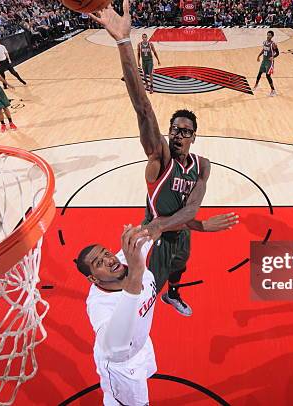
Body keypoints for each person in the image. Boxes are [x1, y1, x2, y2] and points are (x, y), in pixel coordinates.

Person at [91, 1, 238, 317]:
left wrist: (192, 225)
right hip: (151, 237)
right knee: (142, 296)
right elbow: (142, 106)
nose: (178, 134)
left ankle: (174, 293)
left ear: (194, 136)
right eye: (175, 129)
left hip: (177, 231)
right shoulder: (160, 156)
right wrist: (122, 41)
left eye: (185, 131)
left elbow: (192, 208)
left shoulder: (203, 165)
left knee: (179, 267)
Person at [75, 225, 156, 406]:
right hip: (122, 365)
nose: (109, 260)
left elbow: (156, 226)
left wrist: (198, 224)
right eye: (98, 263)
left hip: (140, 344)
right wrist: (135, 274)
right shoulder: (99, 306)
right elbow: (113, 346)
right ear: (94, 279)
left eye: (106, 253)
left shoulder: (125, 259)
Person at [253, 30, 279, 96]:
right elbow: (263, 50)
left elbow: (278, 53)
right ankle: (256, 85)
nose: (268, 36)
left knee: (268, 76)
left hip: (269, 62)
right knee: (259, 73)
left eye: (270, 35)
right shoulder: (264, 42)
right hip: (264, 60)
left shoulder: (273, 44)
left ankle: (273, 90)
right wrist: (259, 55)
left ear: (272, 36)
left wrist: (273, 57)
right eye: (268, 34)